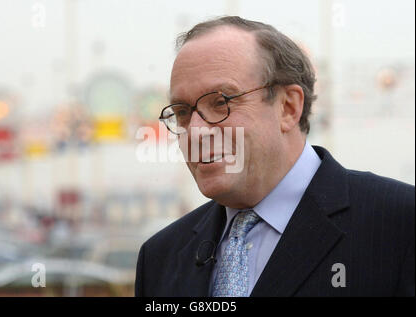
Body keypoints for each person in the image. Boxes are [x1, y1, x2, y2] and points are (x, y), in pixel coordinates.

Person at [135, 16, 414, 297]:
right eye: (183, 112)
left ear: (288, 108)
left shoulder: (399, 226)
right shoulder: (160, 258)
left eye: (221, 102)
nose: (195, 132)